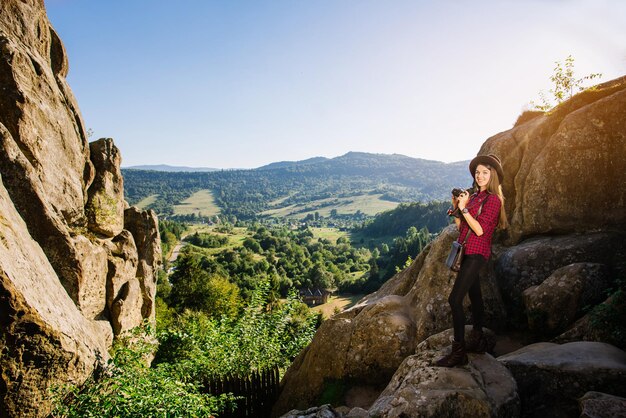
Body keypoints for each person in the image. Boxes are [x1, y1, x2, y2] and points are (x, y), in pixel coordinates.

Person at [436, 154, 508, 367]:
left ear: (492, 175)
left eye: (485, 172)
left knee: (454, 300)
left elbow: (479, 230)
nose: (480, 176)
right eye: (477, 172)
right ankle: (478, 339)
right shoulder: (475, 197)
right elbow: (463, 228)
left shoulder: (494, 199)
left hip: (477, 253)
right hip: (466, 251)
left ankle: (458, 353)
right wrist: (458, 207)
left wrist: (466, 208)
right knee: (475, 296)